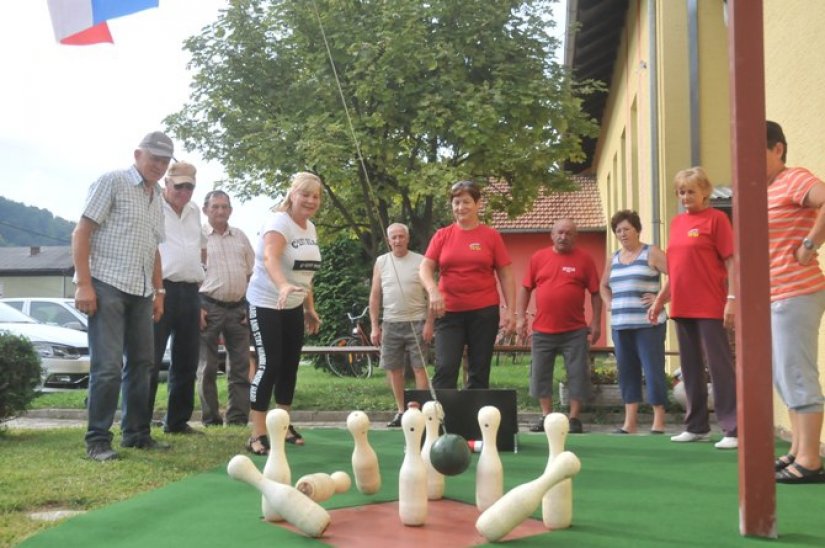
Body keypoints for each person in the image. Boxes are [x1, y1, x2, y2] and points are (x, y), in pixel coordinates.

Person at [72, 131, 173, 461]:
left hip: (142, 291)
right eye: (154, 158)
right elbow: (82, 231)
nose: (159, 165)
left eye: (164, 160)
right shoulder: (112, 181)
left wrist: (158, 291)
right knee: (108, 366)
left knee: (143, 364)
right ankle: (97, 439)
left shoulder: (157, 195)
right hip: (106, 284)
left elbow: (154, 248)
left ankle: (136, 434)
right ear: (137, 154)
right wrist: (83, 284)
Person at [648, 167, 738, 450]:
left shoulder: (717, 220)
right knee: (690, 368)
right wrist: (660, 299)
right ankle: (696, 427)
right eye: (681, 192)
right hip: (683, 305)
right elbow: (676, 271)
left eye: (691, 191)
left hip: (711, 304)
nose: (686, 197)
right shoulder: (676, 224)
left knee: (719, 366)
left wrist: (732, 299)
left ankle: (733, 428)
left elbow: (732, 262)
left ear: (705, 191)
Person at [245, 172, 322, 454]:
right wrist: (282, 286)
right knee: (270, 364)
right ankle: (257, 433)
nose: (311, 200)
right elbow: (270, 258)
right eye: (305, 194)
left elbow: (305, 272)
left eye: (316, 196)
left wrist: (309, 308)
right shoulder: (279, 223)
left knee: (289, 365)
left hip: (292, 304)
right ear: (293, 194)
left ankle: (283, 425)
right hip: (265, 301)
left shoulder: (310, 228)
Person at [766, 121, 825, 483]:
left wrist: (810, 245)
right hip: (774, 297)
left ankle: (810, 459)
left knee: (798, 373)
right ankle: (796, 450)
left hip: (797, 292)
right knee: (783, 374)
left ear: (778, 149)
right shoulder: (766, 188)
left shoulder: (795, 178)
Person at [419, 180, 516, 390]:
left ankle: (476, 420)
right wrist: (433, 291)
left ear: (478, 204)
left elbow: (506, 275)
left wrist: (511, 310)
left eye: (466, 202)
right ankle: (442, 420)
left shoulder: (491, 236)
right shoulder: (442, 235)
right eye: (456, 203)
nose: (460, 207)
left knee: (479, 370)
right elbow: (424, 268)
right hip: (448, 312)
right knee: (445, 367)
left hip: (484, 312)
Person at [517, 218, 602, 434]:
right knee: (539, 374)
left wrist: (596, 322)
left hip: (574, 330)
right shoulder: (538, 258)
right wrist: (520, 318)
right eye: (560, 233)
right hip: (543, 330)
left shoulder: (585, 260)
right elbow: (525, 288)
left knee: (577, 374)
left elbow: (595, 293)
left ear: (576, 237)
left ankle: (574, 419)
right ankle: (546, 416)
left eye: (569, 233)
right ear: (552, 235)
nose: (564, 237)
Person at [149, 161, 206, 434]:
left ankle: (177, 421)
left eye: (190, 187)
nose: (184, 192)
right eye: (179, 186)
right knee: (149, 358)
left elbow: (201, 248)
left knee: (187, 359)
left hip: (190, 289)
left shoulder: (195, 211)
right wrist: (155, 290)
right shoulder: (151, 204)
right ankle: (138, 423)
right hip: (160, 288)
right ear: (166, 184)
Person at [600, 210, 668, 434]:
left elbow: (678, 275)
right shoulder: (613, 258)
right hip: (620, 324)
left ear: (637, 230)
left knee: (653, 370)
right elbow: (603, 286)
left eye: (626, 229)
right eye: (618, 230)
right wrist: (609, 302)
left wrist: (660, 298)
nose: (622, 234)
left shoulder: (652, 253)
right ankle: (630, 423)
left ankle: (658, 420)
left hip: (649, 324)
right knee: (627, 371)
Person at [197, 190, 255, 427]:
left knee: (240, 366)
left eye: (225, 207)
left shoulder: (240, 236)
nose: (220, 211)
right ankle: (211, 419)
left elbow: (253, 273)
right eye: (215, 207)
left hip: (239, 308)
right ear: (205, 210)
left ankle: (238, 418)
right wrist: (196, 306)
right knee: (207, 367)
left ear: (230, 210)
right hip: (208, 306)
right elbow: (189, 273)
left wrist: (250, 306)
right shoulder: (198, 236)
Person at [369, 223, 434, 427]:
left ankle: (418, 410)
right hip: (390, 323)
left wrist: (429, 324)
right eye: (393, 237)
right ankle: (401, 410)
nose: (397, 240)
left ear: (407, 238)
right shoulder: (381, 262)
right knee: (393, 368)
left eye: (401, 236)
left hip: (417, 321)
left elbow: (432, 294)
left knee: (419, 368)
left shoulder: (421, 261)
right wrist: (374, 326)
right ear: (388, 240)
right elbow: (375, 295)